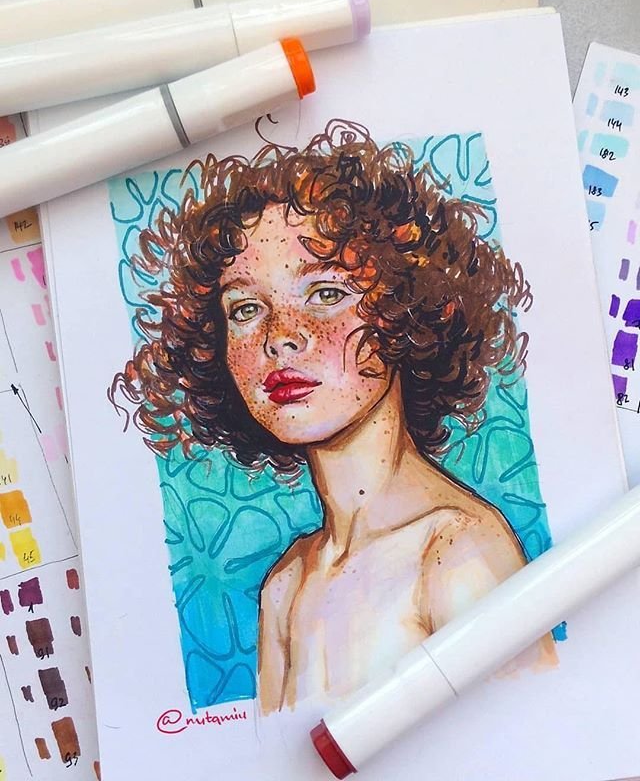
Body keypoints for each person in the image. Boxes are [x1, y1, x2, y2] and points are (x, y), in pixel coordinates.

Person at [110, 119, 557, 716]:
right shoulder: (286, 585)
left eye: (324, 294)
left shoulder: (457, 551)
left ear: (406, 309)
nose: (281, 337)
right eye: (245, 309)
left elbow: (536, 739)